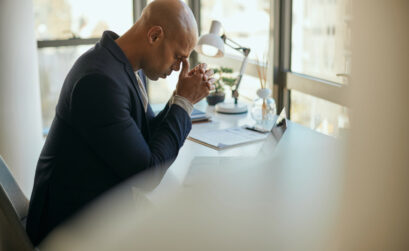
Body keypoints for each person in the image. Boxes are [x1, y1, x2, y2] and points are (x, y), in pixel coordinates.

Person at [26, 0, 214, 246]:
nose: (178, 68)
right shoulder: (99, 81)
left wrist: (178, 98)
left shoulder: (121, 65)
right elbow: (146, 174)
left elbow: (144, 138)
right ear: (155, 35)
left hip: (96, 209)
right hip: (70, 230)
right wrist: (184, 103)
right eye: (178, 57)